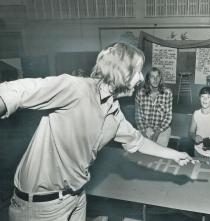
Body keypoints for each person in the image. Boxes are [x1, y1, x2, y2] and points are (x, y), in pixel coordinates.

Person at [0, 42, 193, 221]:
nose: (142, 78)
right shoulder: (76, 88)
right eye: (138, 71)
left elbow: (139, 142)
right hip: (42, 206)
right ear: (123, 72)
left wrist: (174, 154)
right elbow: (13, 92)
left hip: (77, 198)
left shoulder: (114, 111)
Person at [135, 67, 173, 147]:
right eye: (152, 76)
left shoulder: (167, 93)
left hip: (162, 129)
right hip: (145, 128)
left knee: (159, 153)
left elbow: (168, 117)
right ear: (148, 79)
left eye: (157, 76)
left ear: (160, 79)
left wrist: (156, 134)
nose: (155, 79)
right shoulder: (140, 93)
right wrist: (144, 134)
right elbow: (138, 117)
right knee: (143, 151)